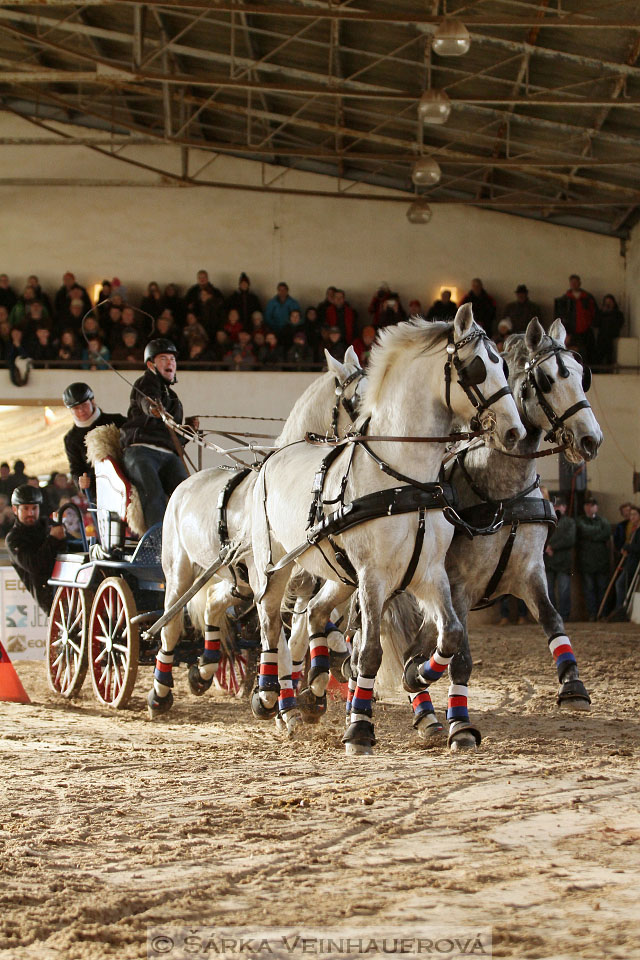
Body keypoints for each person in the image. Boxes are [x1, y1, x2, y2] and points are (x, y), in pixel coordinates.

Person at [120, 339, 198, 528]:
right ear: (151, 365)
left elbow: (173, 439)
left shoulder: (174, 399)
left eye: (172, 359)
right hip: (141, 451)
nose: (170, 362)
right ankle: (158, 544)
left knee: (189, 493)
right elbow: (146, 400)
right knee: (152, 492)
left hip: (168, 454)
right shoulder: (146, 382)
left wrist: (188, 431)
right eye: (163, 358)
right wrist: (152, 408)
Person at [5, 485, 67, 613]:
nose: (30, 513)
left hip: (68, 583)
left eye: (34, 508)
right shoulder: (13, 539)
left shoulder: (47, 524)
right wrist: (53, 539)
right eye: (25, 509)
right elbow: (35, 565)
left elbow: (70, 543)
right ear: (15, 510)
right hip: (50, 594)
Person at [62, 381, 126, 503]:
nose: (81, 411)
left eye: (84, 405)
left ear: (92, 401)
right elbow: (76, 469)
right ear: (70, 410)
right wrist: (79, 481)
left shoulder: (116, 420)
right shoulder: (71, 439)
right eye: (76, 408)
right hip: (99, 492)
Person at [576, 496, 611, 620]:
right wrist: (597, 533)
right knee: (589, 589)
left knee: (602, 588)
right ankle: (592, 614)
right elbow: (583, 530)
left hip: (602, 561)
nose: (589, 507)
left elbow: (606, 533)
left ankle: (603, 613)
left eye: (592, 505)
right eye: (587, 505)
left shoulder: (603, 521)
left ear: (597, 507)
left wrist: (590, 535)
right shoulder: (580, 520)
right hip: (586, 561)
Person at [544, 495, 576, 621]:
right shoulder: (548, 522)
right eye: (555, 506)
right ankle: (552, 616)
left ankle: (564, 616)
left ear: (564, 508)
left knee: (564, 590)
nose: (557, 508)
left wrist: (552, 547)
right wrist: (547, 547)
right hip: (548, 561)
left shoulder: (569, 522)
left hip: (563, 561)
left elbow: (570, 539)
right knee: (549, 591)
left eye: (559, 506)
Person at [553, 274, 597, 364]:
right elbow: (560, 317)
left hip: (586, 332)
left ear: (579, 283)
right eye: (572, 282)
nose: (574, 284)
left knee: (587, 355)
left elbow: (593, 314)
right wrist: (566, 333)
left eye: (575, 282)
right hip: (570, 332)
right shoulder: (564, 300)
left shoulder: (588, 298)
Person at [614, 504, 640, 609]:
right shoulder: (634, 530)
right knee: (622, 584)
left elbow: (638, 547)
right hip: (630, 562)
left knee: (621, 584)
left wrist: (627, 547)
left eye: (634, 514)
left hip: (635, 563)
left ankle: (621, 608)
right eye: (631, 515)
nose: (632, 517)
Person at [594, 294, 624, 368]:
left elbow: (619, 324)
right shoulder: (601, 313)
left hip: (613, 338)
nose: (608, 304)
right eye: (606, 302)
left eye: (610, 302)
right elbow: (595, 323)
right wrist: (603, 313)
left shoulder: (618, 314)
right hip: (601, 338)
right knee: (599, 357)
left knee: (611, 357)